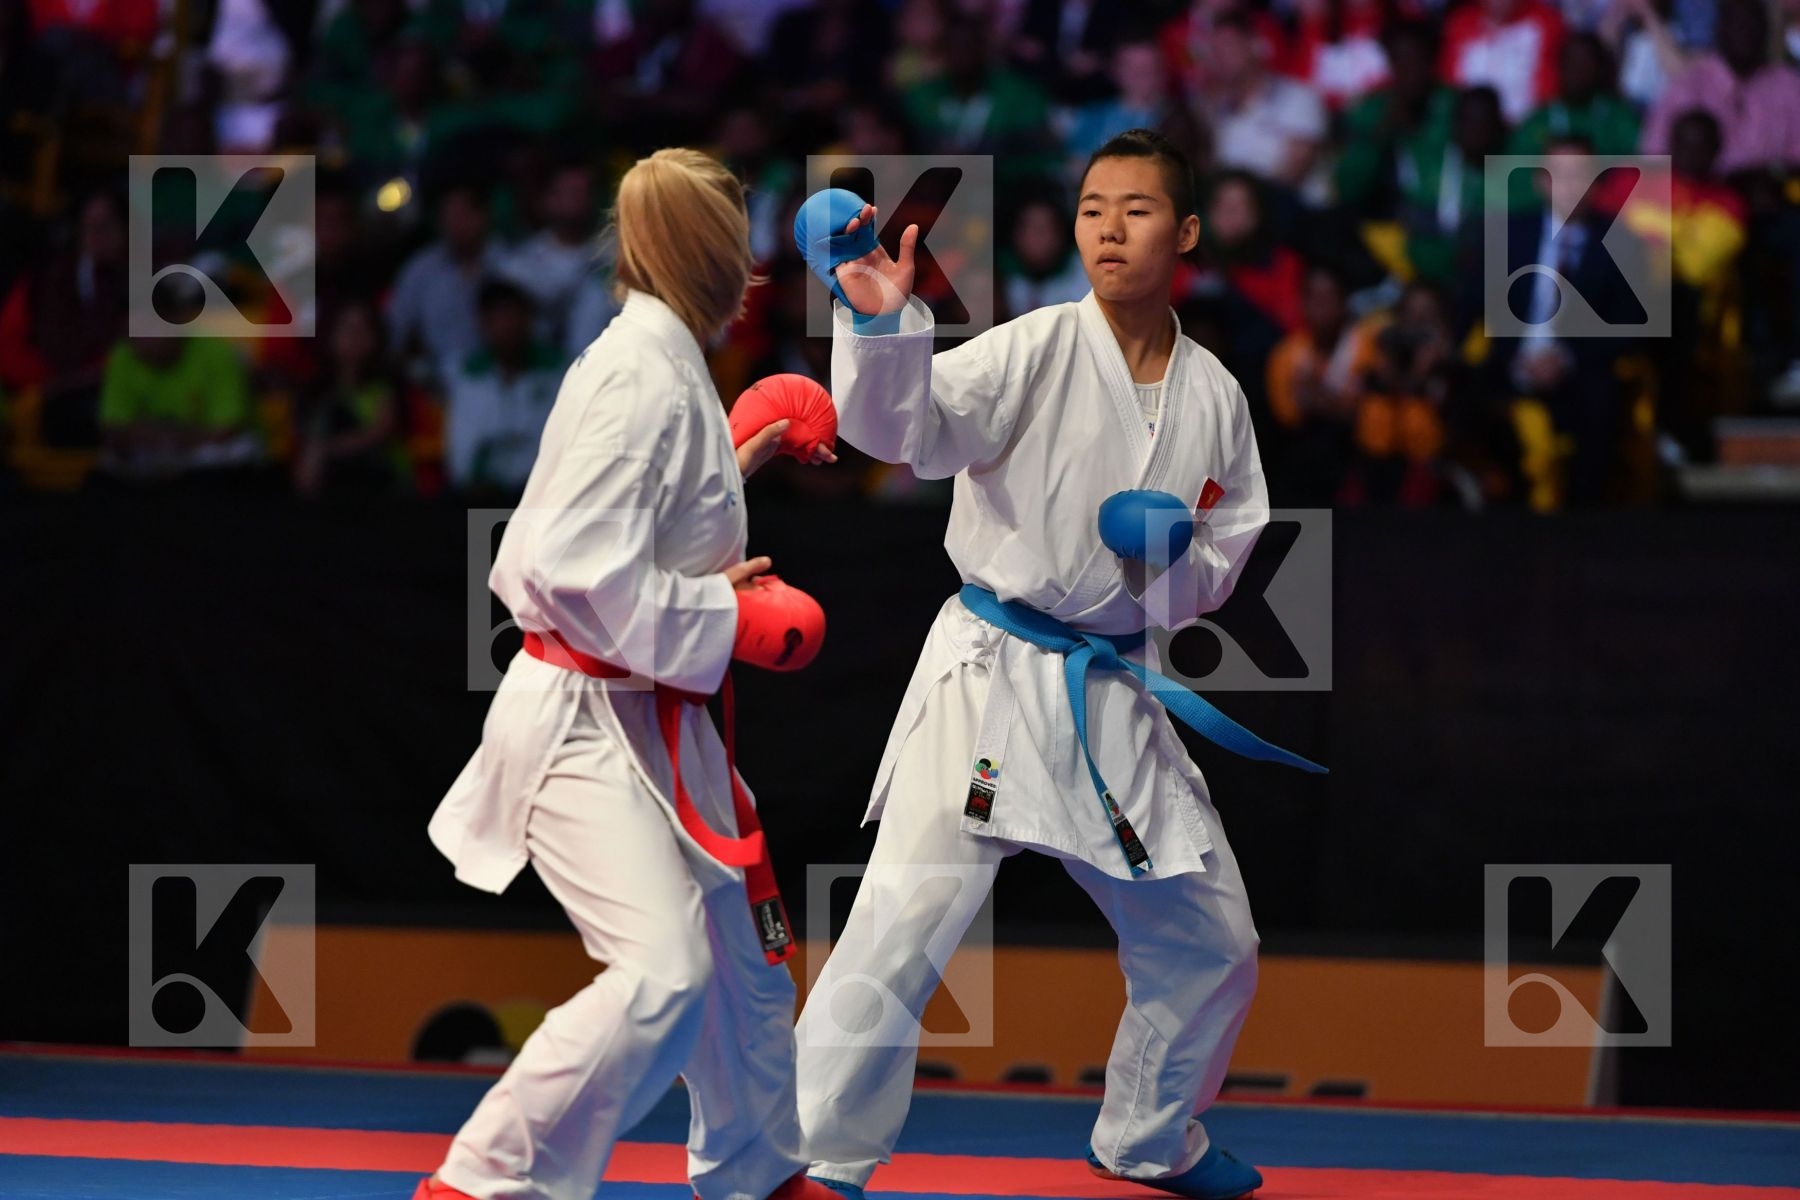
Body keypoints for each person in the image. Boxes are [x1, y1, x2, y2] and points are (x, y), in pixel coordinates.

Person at [790, 129, 1323, 1200]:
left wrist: (1171, 560)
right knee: (901, 921)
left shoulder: (1217, 395)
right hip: (993, 671)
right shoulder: (1034, 345)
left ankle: (1149, 1135)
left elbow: (1220, 567)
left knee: (1212, 936)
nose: (1107, 229)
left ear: (1184, 233)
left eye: (1134, 210)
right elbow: (913, 434)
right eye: (1090, 209)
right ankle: (807, 1160)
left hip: (1111, 685)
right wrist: (880, 319)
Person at [417, 148, 838, 1200]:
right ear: (712, 256)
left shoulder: (666, 366)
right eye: (739, 246)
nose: (750, 270)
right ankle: (479, 1184)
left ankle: (758, 1173)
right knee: (664, 974)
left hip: (655, 715)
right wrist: (724, 612)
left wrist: (732, 471)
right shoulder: (636, 376)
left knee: (746, 967)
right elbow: (556, 563)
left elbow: (632, 528)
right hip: (586, 718)